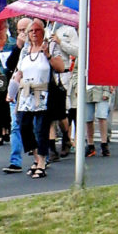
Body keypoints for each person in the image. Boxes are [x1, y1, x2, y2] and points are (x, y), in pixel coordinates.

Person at [14, 18, 63, 179]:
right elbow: (19, 71)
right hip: (26, 93)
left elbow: (60, 67)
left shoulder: (50, 47)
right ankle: (35, 156)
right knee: (24, 126)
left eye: (38, 30)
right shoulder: (25, 50)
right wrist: (12, 90)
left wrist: (47, 54)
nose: (34, 33)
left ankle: (42, 161)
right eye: (31, 31)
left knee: (42, 129)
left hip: (44, 94)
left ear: (43, 32)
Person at [1, 17, 31, 174]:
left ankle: (41, 158)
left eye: (25, 30)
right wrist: (18, 47)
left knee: (34, 126)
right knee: (15, 126)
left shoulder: (39, 47)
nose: (22, 34)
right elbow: (10, 66)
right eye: (19, 30)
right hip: (17, 89)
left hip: (34, 90)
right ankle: (15, 161)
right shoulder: (16, 47)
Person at [48, 23, 78, 160]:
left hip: (63, 75)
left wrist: (60, 43)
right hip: (47, 74)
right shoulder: (46, 29)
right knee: (49, 113)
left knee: (62, 112)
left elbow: (77, 51)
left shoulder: (69, 31)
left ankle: (66, 136)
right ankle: (51, 147)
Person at [85, 86, 113, 157]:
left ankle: (104, 143)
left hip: (101, 89)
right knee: (88, 119)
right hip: (86, 90)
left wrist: (106, 91)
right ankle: (90, 145)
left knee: (102, 116)